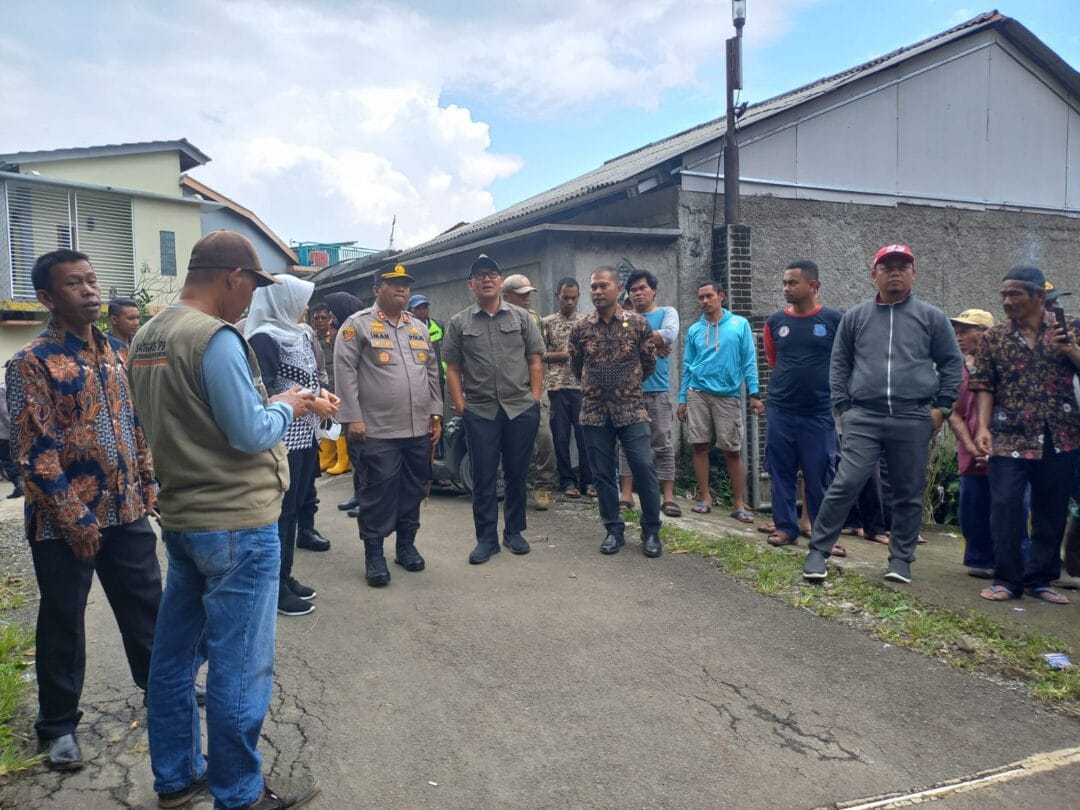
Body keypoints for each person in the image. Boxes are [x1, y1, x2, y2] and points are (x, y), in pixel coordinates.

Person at [129, 230, 318, 809]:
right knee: (240, 668)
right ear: (233, 277)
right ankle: (239, 795)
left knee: (175, 659)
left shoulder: (146, 334)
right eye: (252, 286)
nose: (251, 299)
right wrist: (288, 403)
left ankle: (178, 777)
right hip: (237, 522)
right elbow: (250, 432)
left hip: (185, 519)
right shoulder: (215, 338)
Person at [4, 249, 160, 773]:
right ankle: (58, 726)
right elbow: (33, 450)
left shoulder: (118, 351)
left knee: (147, 608)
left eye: (92, 280)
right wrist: (75, 517)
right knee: (64, 621)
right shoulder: (31, 362)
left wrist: (148, 481)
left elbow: (133, 424)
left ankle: (159, 688)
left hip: (127, 509)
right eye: (75, 284)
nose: (90, 290)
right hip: (66, 524)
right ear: (48, 298)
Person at [802, 244, 962, 584]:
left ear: (913, 273)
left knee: (908, 490)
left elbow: (951, 363)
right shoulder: (856, 317)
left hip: (913, 416)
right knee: (846, 482)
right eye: (887, 267)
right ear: (873, 274)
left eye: (902, 267)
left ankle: (901, 559)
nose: (895, 272)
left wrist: (942, 408)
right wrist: (844, 406)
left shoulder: (931, 317)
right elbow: (840, 363)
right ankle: (818, 552)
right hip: (864, 416)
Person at [971, 266, 1080, 605]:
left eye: (1014, 294)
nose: (1006, 301)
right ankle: (1007, 579)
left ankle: (1041, 580)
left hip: (1059, 435)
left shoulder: (1071, 328)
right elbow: (984, 385)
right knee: (1005, 507)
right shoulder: (995, 337)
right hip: (1009, 434)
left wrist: (1071, 350)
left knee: (1051, 509)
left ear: (1037, 296)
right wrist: (983, 427)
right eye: (1003, 294)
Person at [335, 264, 443, 587]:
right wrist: (352, 417)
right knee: (377, 492)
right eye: (393, 283)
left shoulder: (418, 327)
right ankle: (374, 554)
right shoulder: (357, 326)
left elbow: (432, 371)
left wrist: (436, 412)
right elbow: (345, 372)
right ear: (376, 290)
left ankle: (406, 546)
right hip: (377, 429)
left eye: (405, 284)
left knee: (413, 489)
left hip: (417, 428)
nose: (401, 289)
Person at [246, 276, 339, 617]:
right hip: (282, 438)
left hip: (306, 437)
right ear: (280, 302)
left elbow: (309, 378)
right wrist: (312, 403)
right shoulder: (263, 339)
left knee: (296, 508)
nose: (305, 309)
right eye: (299, 301)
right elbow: (262, 395)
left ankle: (285, 576)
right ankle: (274, 587)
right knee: (281, 515)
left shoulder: (299, 333)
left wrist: (323, 395)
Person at [443, 254, 544, 564]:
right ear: (471, 284)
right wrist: (461, 406)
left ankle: (514, 532)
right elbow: (453, 367)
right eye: (480, 276)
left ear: (501, 282)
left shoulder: (522, 318)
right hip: (481, 412)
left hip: (519, 409)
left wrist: (535, 399)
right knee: (484, 476)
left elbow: (535, 359)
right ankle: (486, 539)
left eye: (492, 274)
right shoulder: (459, 322)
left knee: (516, 473)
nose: (487, 279)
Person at [569, 267, 662, 557]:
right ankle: (613, 529)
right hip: (594, 412)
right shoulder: (581, 328)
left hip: (631, 410)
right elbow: (576, 366)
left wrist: (624, 386)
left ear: (618, 288)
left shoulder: (637, 324)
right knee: (602, 475)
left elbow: (649, 363)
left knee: (644, 468)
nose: (597, 291)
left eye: (603, 286)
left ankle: (651, 531)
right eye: (593, 287)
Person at [761, 260, 842, 547]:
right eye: (784, 283)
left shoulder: (834, 320)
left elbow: (843, 361)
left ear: (813, 285)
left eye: (792, 283)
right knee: (780, 471)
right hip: (781, 409)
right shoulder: (775, 323)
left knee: (819, 474)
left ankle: (823, 535)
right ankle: (785, 528)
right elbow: (774, 361)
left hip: (818, 412)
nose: (786, 288)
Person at [677, 281, 763, 520]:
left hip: (727, 395)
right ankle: (705, 497)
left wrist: (754, 394)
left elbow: (749, 360)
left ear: (721, 296)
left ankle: (739, 503)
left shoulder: (739, 325)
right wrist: (682, 398)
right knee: (699, 445)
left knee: (732, 450)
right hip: (698, 393)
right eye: (700, 297)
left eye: (709, 296)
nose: (704, 301)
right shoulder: (695, 330)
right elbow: (687, 365)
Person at [618, 269, 679, 516]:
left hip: (658, 391)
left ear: (653, 290)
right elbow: (618, 344)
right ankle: (626, 495)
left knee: (662, 443)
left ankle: (669, 497)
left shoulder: (667, 312)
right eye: (633, 290)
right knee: (626, 445)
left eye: (642, 288)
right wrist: (654, 343)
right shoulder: (623, 317)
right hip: (629, 393)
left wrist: (641, 340)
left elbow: (670, 334)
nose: (638, 293)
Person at [946, 309, 997, 578]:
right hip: (970, 453)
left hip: (1003, 452)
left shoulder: (1003, 365)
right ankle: (979, 560)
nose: (959, 336)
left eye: (966, 330)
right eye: (957, 331)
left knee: (1011, 509)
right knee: (972, 509)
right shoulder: (958, 368)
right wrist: (968, 444)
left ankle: (1014, 561)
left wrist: (990, 445)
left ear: (986, 332)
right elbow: (952, 411)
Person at [502, 273, 557, 510]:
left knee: (544, 438)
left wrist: (536, 392)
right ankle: (514, 486)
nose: (528, 299)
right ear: (506, 296)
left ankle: (543, 486)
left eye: (529, 295)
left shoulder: (535, 319)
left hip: (533, 389)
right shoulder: (495, 319)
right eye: (522, 295)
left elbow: (540, 354)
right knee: (509, 442)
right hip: (505, 390)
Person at [543, 277, 594, 499]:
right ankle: (567, 481)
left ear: (579, 297)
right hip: (556, 387)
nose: (570, 302)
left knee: (586, 437)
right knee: (560, 437)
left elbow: (593, 352)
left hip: (581, 388)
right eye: (566, 298)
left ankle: (589, 482)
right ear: (558, 296)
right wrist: (562, 356)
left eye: (574, 298)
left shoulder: (586, 322)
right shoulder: (547, 323)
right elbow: (538, 355)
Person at [325, 291, 365, 516]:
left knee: (364, 454)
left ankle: (367, 500)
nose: (330, 318)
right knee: (354, 452)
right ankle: (358, 494)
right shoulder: (339, 332)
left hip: (360, 403)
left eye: (333, 313)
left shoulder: (356, 331)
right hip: (343, 400)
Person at [408, 292, 446, 394]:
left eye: (425, 308)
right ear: (410, 311)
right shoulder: (405, 330)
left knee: (438, 407)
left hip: (438, 378)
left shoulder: (439, 326)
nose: (422, 311)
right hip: (417, 380)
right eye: (418, 309)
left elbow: (447, 350)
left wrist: (444, 371)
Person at [0, 363, 24, 498]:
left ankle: (19, 484)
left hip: (6, 434)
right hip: (12, 432)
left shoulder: (3, 389)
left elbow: (5, 414)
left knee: (8, 460)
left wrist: (15, 432)